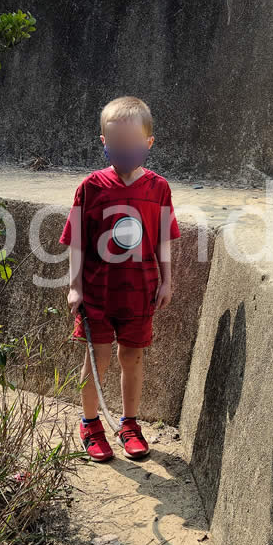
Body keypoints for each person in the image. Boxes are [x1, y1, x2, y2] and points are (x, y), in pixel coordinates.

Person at [59, 96, 179, 461]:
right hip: (97, 292)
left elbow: (163, 238)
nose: (124, 151)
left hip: (139, 292)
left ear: (148, 143)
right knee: (97, 358)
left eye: (132, 145)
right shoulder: (91, 187)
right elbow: (76, 240)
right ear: (104, 143)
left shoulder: (158, 189)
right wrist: (75, 285)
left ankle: (129, 423)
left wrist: (167, 281)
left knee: (132, 358)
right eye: (117, 145)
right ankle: (91, 424)